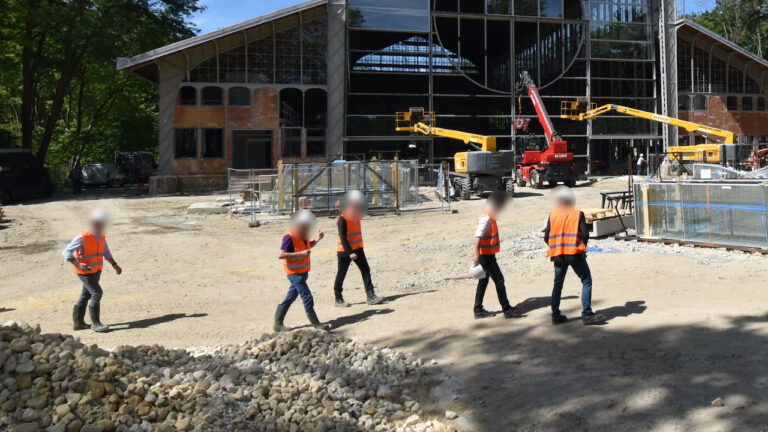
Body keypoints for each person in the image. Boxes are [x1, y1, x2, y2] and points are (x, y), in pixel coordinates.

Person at [543, 186, 605, 325]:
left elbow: (546, 236)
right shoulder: (577, 214)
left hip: (558, 255)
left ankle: (555, 315)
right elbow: (585, 234)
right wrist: (581, 247)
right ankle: (587, 315)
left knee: (557, 284)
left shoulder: (552, 215)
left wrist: (556, 246)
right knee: (586, 280)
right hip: (575, 254)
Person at [62, 209, 122, 332]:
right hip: (85, 272)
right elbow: (66, 251)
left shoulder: (101, 235)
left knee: (86, 295)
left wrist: (114, 264)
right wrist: (77, 265)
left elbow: (106, 252)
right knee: (97, 293)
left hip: (96, 270)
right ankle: (96, 324)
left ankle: (78, 323)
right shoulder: (82, 237)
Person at [274, 210, 331, 331]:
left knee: (290, 297)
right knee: (307, 296)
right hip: (294, 274)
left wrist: (317, 240)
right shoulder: (289, 237)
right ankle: (316, 324)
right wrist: (301, 254)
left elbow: (307, 247)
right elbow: (281, 255)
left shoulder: (304, 235)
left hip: (303, 272)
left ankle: (277, 324)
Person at [472, 191, 521, 319]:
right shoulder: (486, 217)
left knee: (483, 281)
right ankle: (507, 309)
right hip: (486, 256)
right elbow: (477, 237)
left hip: (487, 255)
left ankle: (478, 309)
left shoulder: (488, 216)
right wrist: (476, 255)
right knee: (499, 280)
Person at [333, 191, 383, 307]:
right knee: (341, 274)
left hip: (358, 248)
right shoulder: (342, 219)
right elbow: (343, 237)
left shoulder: (356, 216)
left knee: (366, 270)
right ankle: (338, 298)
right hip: (345, 251)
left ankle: (370, 295)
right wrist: (349, 252)